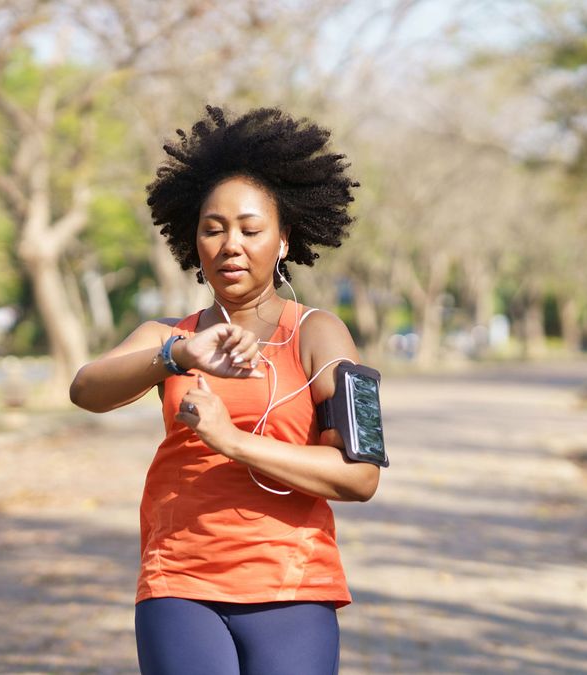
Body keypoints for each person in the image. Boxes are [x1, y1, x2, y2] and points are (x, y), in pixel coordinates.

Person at [69, 105, 380, 675]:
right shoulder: (169, 338)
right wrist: (176, 356)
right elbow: (85, 389)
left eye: (250, 229)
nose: (229, 244)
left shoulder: (319, 334)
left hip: (292, 586)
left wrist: (230, 441)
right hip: (178, 584)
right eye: (212, 229)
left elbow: (360, 477)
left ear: (283, 241)